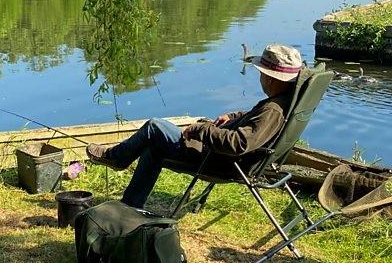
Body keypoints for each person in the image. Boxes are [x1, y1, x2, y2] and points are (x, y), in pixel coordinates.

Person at [86, 44, 303, 209]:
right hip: (224, 158)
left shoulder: (272, 110)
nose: (261, 78)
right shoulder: (284, 102)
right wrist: (233, 116)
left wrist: (202, 130)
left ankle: (116, 157)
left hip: (219, 160)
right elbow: (253, 119)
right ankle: (129, 206)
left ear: (273, 78)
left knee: (155, 128)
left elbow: (240, 143)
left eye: (263, 74)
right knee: (154, 149)